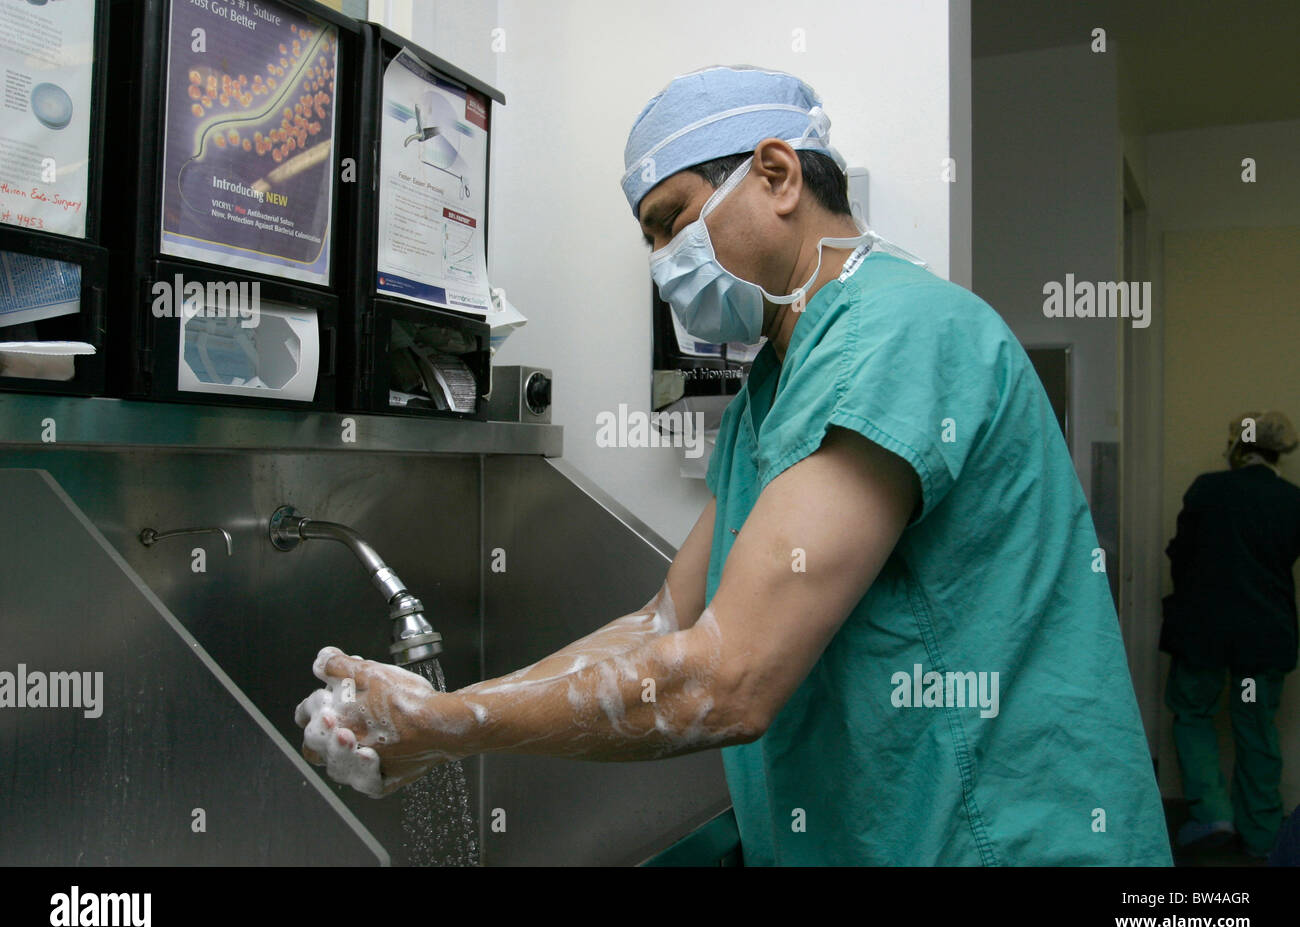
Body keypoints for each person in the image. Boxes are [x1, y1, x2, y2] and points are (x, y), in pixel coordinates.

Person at [296, 65, 1172, 865]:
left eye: (669, 221)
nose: (661, 263)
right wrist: (432, 710)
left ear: (778, 175)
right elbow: (663, 625)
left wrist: (446, 726)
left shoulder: (901, 333)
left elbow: (727, 677)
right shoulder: (776, 383)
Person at [1161, 410, 1300, 858]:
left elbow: (1180, 558)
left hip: (1203, 635)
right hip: (1262, 641)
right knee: (1255, 727)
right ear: (1278, 452)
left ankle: (1212, 813)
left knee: (1195, 714)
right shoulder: (1292, 501)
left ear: (1239, 448)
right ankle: (1262, 836)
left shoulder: (1207, 490)